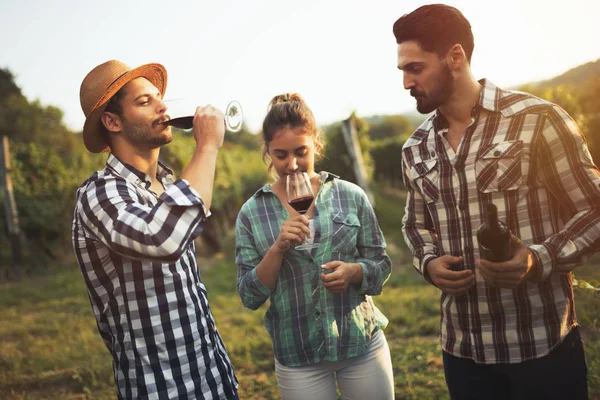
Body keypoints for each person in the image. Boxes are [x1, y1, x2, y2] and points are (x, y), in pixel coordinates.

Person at [394, 4, 600, 399]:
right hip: (462, 352)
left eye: (415, 68)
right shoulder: (415, 147)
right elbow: (414, 224)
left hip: (542, 347)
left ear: (455, 57)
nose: (406, 81)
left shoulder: (537, 120)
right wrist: (428, 261)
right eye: (402, 70)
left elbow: (594, 208)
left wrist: (536, 258)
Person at [73, 60, 238, 400]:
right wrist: (207, 148)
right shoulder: (100, 194)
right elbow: (162, 239)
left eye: (158, 97)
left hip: (212, 378)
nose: (163, 107)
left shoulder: (167, 185)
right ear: (112, 121)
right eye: (145, 101)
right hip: (161, 389)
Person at [235, 93, 394, 400]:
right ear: (267, 151)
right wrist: (278, 247)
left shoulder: (350, 195)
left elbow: (381, 265)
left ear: (316, 145)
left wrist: (354, 272)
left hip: (359, 342)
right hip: (298, 357)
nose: (292, 164)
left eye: (301, 152)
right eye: (280, 155)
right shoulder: (252, 212)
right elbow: (249, 295)